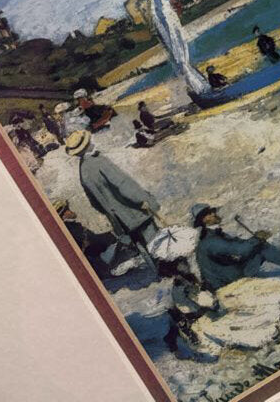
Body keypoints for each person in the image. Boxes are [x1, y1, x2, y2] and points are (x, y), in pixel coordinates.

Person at [65, 130, 160, 270]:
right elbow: (122, 184)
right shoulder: (99, 161)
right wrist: (141, 200)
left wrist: (112, 212)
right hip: (134, 211)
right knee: (155, 240)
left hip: (120, 220)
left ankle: (157, 270)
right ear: (86, 145)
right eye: (88, 142)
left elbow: (94, 203)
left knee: (140, 245)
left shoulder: (83, 171)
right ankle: (169, 268)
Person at [191, 203, 280, 291]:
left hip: (229, 275)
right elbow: (240, 249)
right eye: (209, 213)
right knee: (261, 248)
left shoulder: (214, 235)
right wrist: (256, 239)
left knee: (259, 246)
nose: (214, 214)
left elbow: (237, 245)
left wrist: (256, 240)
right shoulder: (210, 241)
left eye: (212, 211)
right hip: (228, 281)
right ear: (204, 220)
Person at [53, 199, 139, 278]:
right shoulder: (71, 229)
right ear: (64, 215)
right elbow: (88, 244)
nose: (71, 211)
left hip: (102, 254)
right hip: (101, 259)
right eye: (67, 210)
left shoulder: (71, 227)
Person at [160, 257, 217, 353]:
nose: (187, 268)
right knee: (182, 321)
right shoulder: (179, 284)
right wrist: (199, 308)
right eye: (183, 267)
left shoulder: (188, 279)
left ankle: (174, 335)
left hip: (191, 307)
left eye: (186, 266)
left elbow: (197, 293)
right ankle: (184, 336)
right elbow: (182, 301)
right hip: (189, 309)